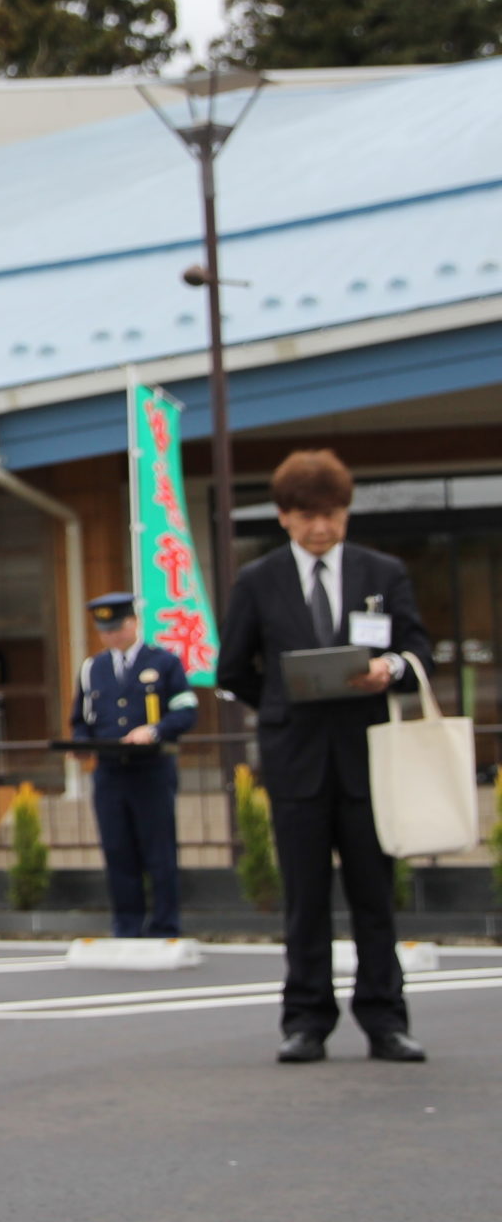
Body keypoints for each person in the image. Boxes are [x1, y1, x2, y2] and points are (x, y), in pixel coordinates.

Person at [217, 449, 432, 1065]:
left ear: (346, 512)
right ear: (284, 517)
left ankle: (386, 1021)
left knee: (374, 895)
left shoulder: (381, 571)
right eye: (308, 516)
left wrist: (386, 669)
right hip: (296, 761)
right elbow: (233, 668)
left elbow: (418, 651)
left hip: (369, 756)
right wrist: (284, 705)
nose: (322, 527)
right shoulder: (258, 580)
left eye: (333, 514)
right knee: (304, 898)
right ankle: (306, 1020)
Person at [69, 593, 196, 937]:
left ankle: (165, 923)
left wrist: (155, 730)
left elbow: (186, 710)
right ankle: (126, 924)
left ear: (134, 623)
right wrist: (81, 745)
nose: (112, 636)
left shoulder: (164, 662)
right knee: (117, 848)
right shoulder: (92, 668)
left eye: (118, 627)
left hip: (151, 769)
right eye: (105, 630)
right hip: (109, 771)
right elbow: (81, 720)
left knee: (158, 849)